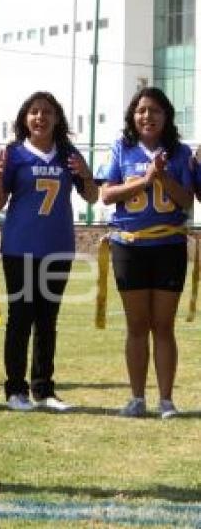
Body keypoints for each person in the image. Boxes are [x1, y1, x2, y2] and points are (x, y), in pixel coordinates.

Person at [0, 91, 98, 412]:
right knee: (20, 318)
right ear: (25, 118)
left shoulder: (67, 153)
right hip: (20, 248)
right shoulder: (14, 153)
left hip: (57, 248)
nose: (40, 117)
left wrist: (85, 173)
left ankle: (44, 389)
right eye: (34, 111)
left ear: (57, 118)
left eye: (47, 112)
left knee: (48, 320)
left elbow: (91, 197)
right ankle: (15, 390)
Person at [98, 87, 193, 419]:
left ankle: (166, 400)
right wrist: (145, 180)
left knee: (163, 325)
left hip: (168, 245)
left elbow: (186, 201)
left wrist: (163, 177)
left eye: (155, 110)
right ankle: (137, 398)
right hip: (130, 245)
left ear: (166, 116)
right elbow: (107, 195)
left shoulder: (180, 153)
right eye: (141, 110)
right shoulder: (121, 149)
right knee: (137, 325)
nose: (148, 116)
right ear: (132, 116)